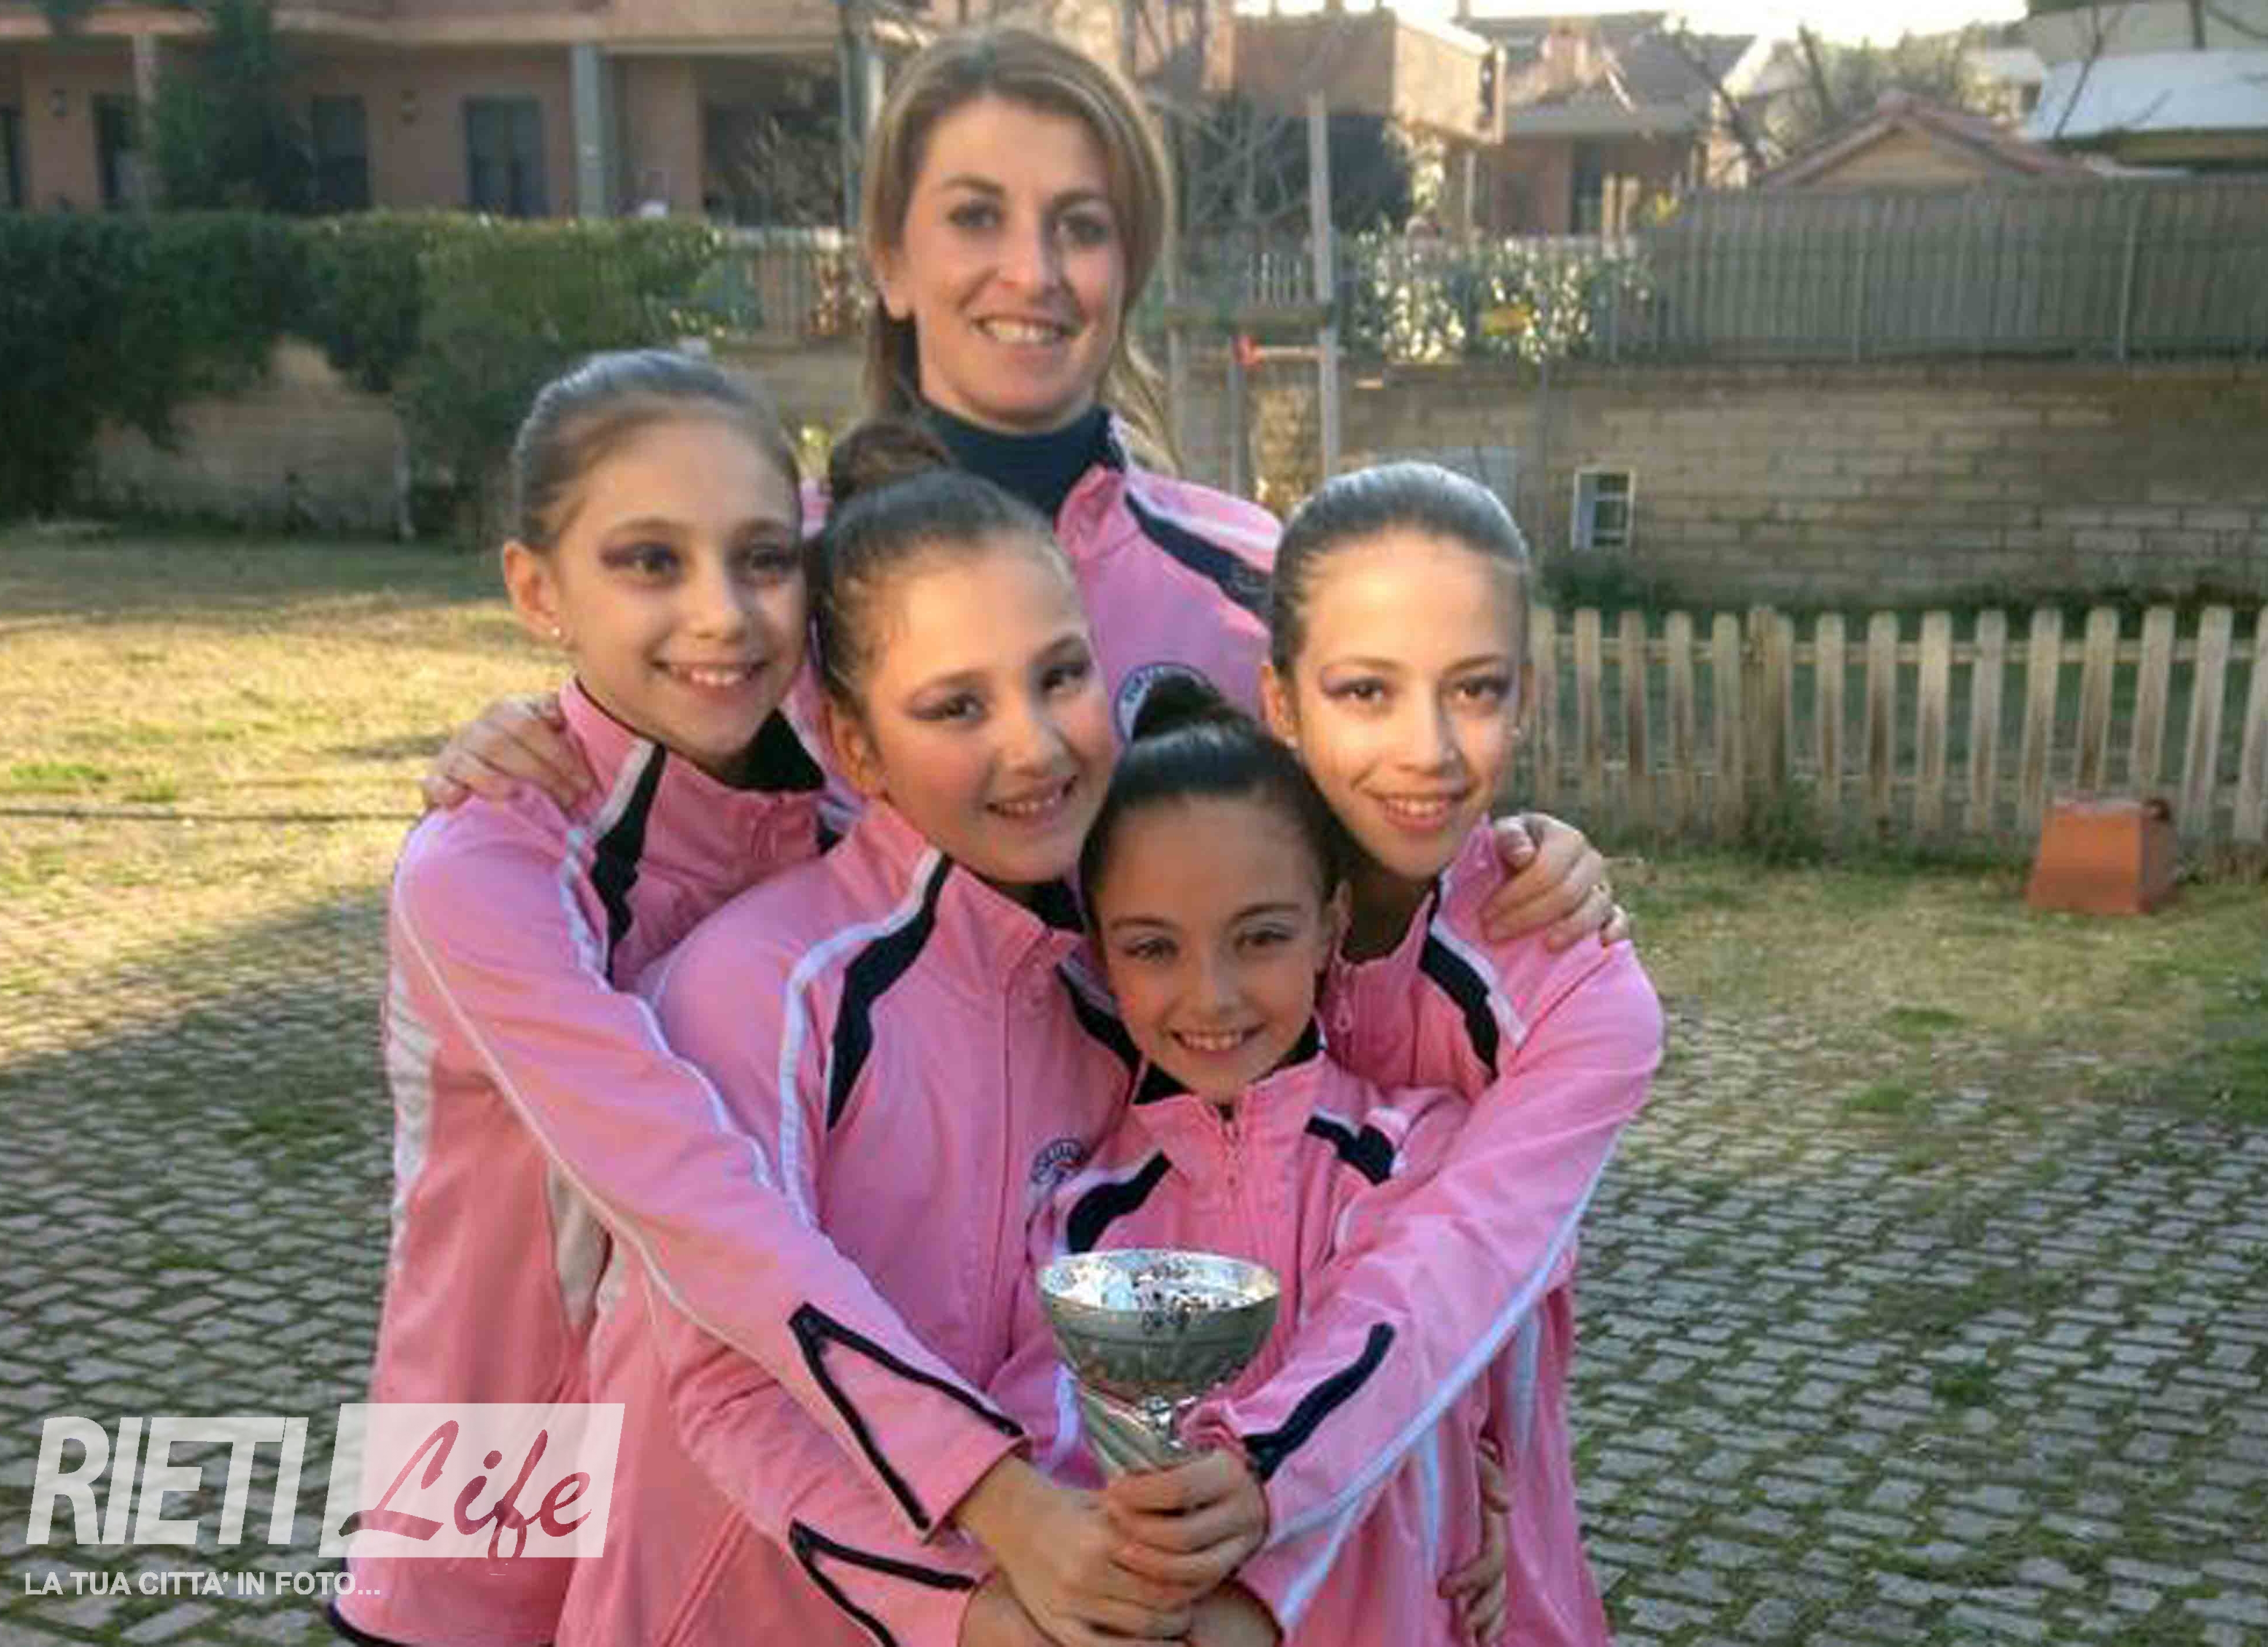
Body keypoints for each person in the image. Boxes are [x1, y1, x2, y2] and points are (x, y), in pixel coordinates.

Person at [421, 22, 1620, 957]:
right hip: (822, 1194)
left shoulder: (1253, 580)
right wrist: (529, 751)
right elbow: (636, 851)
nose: (1032, 271)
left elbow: (1373, 881)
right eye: (976, 217)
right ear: (889, 261)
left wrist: (1514, 864)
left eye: (1080, 227)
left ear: (1127, 270)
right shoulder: (765, 584)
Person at [557, 450, 1280, 1647]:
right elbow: (729, 1383)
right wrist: (968, 1600)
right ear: (857, 746)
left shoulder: (1113, 993)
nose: (1035, 746)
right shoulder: (761, 990)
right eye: (957, 707)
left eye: (1060, 675)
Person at [333, 350, 837, 1647]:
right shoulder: (489, 863)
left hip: (717, 1527)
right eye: (649, 561)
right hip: (484, 1528)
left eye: (763, 558)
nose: (723, 613)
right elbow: (684, 1187)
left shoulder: (835, 824)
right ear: (536, 589)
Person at [1187, 462, 1666, 1644]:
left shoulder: (1578, 991)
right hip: (1190, 1514)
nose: (1430, 750)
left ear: (1526, 695)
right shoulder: (1188, 917)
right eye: (1366, 690)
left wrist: (1307, 1482)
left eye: (1475, 689)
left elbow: (1456, 1265)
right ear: (1281, 700)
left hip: (1454, 1545)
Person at [989, 674, 1514, 1645]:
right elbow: (1056, 1458)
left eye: (1261, 936)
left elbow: (1407, 1372)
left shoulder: (1416, 1149)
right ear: (1100, 954)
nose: (1213, 996)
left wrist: (1476, 1472)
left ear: (1330, 926)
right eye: (1154, 949)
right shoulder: (1082, 1217)